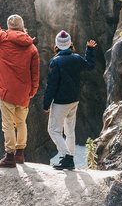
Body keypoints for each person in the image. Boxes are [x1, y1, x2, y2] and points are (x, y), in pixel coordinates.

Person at [0, 0, 40, 167]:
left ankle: (9, 157)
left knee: (7, 124)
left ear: (9, 26)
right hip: (23, 93)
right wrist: (33, 91)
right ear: (22, 27)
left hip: (6, 91)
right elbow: (35, 73)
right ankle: (21, 154)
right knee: (21, 122)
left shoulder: (2, 38)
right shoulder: (32, 48)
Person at [43, 30, 97, 170]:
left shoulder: (56, 62)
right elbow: (90, 65)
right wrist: (89, 50)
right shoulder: (76, 58)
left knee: (53, 130)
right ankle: (70, 158)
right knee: (69, 130)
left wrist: (46, 104)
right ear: (70, 44)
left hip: (61, 102)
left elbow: (51, 86)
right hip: (74, 100)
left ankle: (67, 157)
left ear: (57, 45)